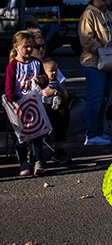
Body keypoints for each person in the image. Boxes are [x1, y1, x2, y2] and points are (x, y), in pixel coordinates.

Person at [79, 0, 112, 146]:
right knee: (95, 99)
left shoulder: (111, 15)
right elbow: (86, 38)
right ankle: (91, 134)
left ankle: (98, 131)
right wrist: (101, 51)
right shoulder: (89, 15)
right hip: (94, 63)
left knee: (104, 99)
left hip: (110, 62)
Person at [5, 31, 54, 175]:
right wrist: (15, 99)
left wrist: (42, 80)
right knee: (22, 135)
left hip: (35, 104)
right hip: (19, 105)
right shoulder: (13, 66)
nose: (28, 50)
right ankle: (23, 163)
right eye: (25, 47)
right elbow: (9, 88)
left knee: (37, 134)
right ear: (16, 47)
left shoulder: (36, 63)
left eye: (30, 47)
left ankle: (38, 161)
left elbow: (45, 80)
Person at [28, 28, 71, 164]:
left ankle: (59, 150)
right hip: (30, 105)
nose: (41, 49)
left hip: (51, 102)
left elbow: (65, 95)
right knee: (39, 110)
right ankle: (32, 152)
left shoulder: (51, 66)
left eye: (43, 46)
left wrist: (55, 92)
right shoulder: (25, 67)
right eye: (37, 47)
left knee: (62, 109)